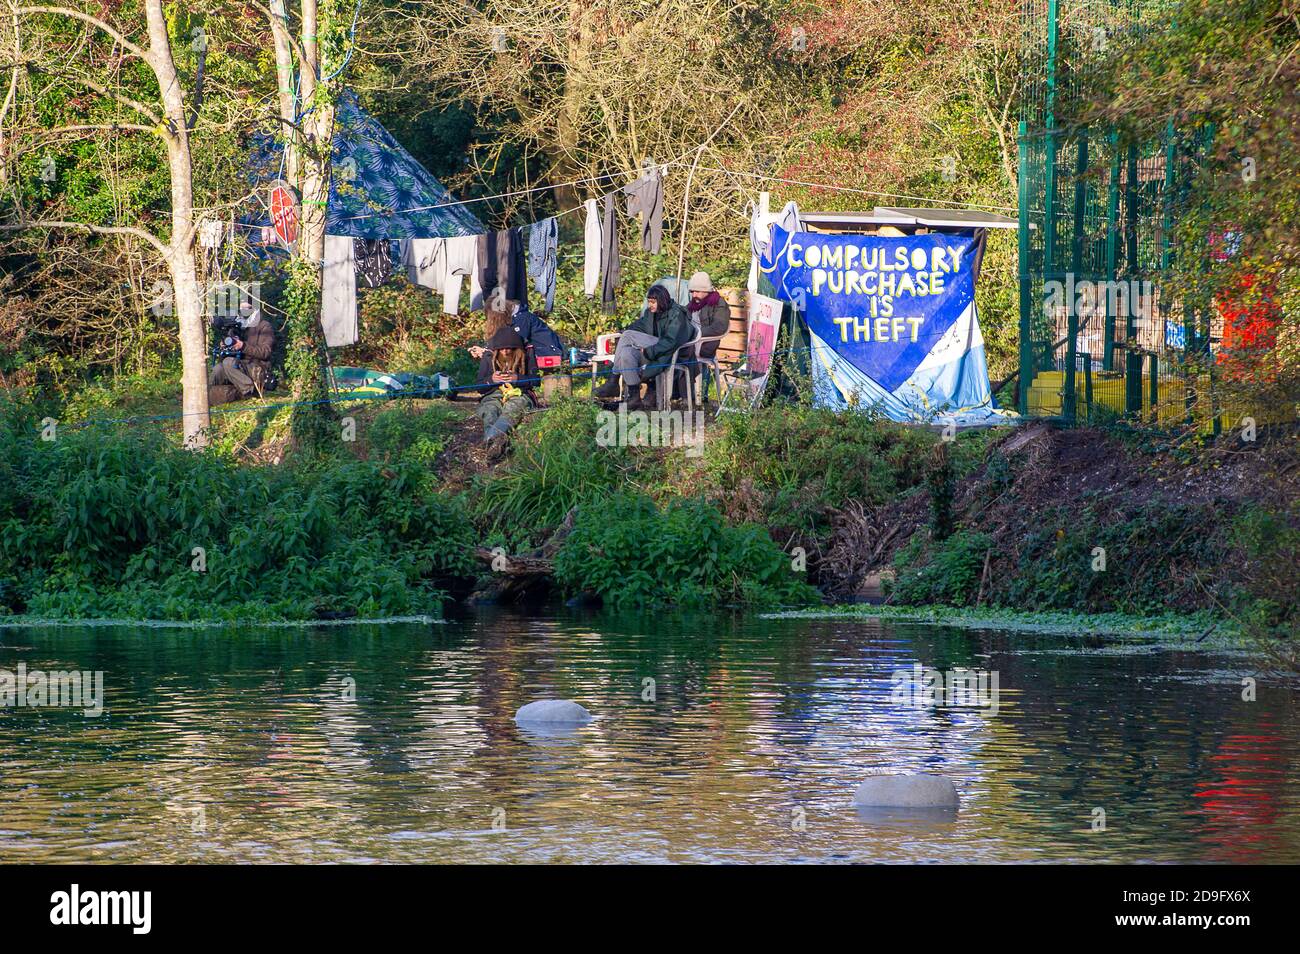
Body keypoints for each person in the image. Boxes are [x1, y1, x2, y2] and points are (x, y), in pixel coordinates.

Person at [592, 283, 691, 409]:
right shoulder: (650, 313)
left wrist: (649, 351)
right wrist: (623, 334)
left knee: (628, 336)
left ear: (662, 300)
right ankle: (634, 398)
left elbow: (671, 341)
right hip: (653, 347)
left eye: (653, 302)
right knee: (626, 354)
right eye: (649, 302)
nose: (650, 305)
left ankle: (613, 381)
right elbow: (639, 326)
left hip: (666, 349)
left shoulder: (676, 314)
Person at [474, 325, 537, 457]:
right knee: (490, 410)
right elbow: (479, 387)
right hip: (493, 394)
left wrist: (517, 378)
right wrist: (491, 380)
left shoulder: (528, 353)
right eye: (502, 349)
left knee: (512, 408)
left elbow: (536, 381)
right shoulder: (488, 356)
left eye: (509, 348)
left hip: (519, 393)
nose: (506, 351)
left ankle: (489, 441)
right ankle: (496, 446)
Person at [208, 300, 275, 406]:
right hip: (240, 367)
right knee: (218, 368)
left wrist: (243, 346)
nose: (243, 311)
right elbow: (229, 355)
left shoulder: (264, 326)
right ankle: (204, 395)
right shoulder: (239, 325)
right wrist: (226, 346)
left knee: (228, 362)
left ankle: (250, 391)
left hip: (258, 368)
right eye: (241, 308)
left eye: (246, 307)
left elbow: (265, 352)